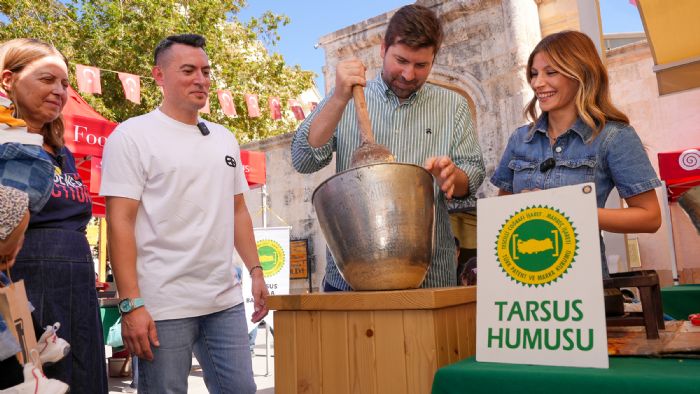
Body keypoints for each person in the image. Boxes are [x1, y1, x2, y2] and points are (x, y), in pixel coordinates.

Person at [100, 34, 268, 394]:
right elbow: (119, 223)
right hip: (162, 305)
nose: (201, 79)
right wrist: (130, 305)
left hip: (223, 301)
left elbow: (237, 210)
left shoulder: (224, 138)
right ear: (158, 76)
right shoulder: (131, 136)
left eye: (206, 71)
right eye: (188, 70)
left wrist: (256, 271)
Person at [291, 5, 485, 291]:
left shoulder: (452, 105)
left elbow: (473, 172)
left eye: (421, 65)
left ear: (434, 59)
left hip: (429, 277)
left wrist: (453, 177)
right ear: (383, 49)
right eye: (401, 61)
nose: (408, 74)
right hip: (351, 276)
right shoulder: (345, 98)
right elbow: (303, 158)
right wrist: (337, 99)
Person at [491, 30, 662, 277]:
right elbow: (503, 212)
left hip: (582, 283)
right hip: (522, 279)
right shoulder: (520, 139)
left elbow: (650, 218)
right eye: (534, 74)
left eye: (551, 72)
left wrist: (568, 212)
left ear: (580, 74)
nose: (538, 83)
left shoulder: (615, 136)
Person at [0, 38, 108, 392]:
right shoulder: (4, 141)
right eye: (48, 80)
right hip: (25, 280)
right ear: (7, 81)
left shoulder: (65, 153)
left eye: (64, 83)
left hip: (78, 282)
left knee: (84, 379)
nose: (60, 91)